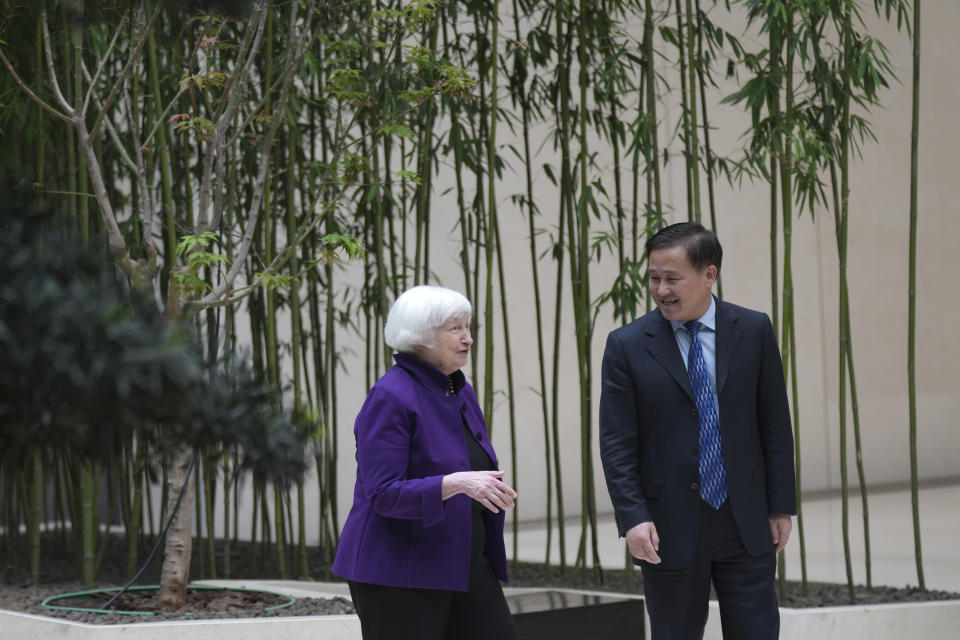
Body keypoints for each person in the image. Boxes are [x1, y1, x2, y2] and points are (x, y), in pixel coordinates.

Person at [599, 222, 796, 640]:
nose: (661, 290)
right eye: (654, 278)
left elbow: (775, 425)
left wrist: (781, 505)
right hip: (667, 527)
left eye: (673, 278)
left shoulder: (754, 330)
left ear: (709, 274)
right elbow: (617, 444)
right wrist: (633, 518)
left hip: (745, 518)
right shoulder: (627, 345)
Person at [332, 285, 519, 640]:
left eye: (468, 327)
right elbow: (383, 493)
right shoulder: (390, 395)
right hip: (400, 570)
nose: (468, 339)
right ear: (419, 337)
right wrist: (458, 484)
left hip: (465, 560)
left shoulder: (459, 389)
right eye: (455, 329)